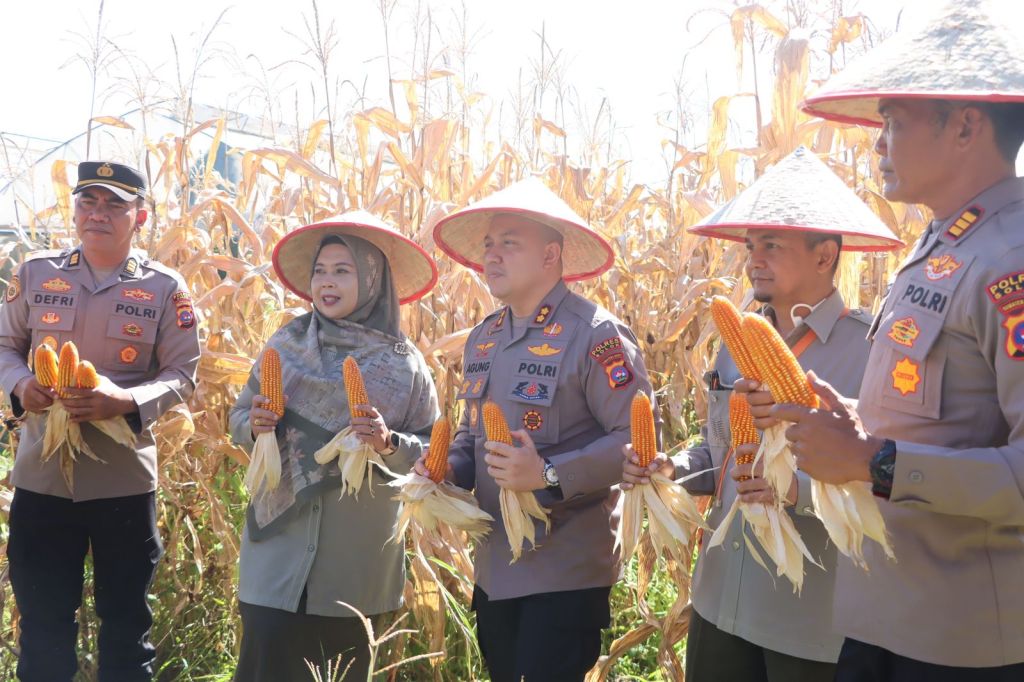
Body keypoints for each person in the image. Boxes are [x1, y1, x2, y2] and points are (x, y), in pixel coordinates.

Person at [774, 1, 1024, 678]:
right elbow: (943, 422)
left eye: (894, 122)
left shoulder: (1012, 258)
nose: (877, 142)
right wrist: (855, 422)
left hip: (958, 641)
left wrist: (873, 461)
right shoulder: (940, 247)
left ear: (966, 125)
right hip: (881, 617)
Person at [623, 146, 901, 682]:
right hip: (719, 598)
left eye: (770, 245)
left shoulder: (870, 354)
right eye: (751, 246)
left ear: (824, 256)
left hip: (808, 620)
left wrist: (792, 489)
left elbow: (885, 487)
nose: (753, 259)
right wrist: (670, 471)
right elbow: (719, 452)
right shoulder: (733, 345)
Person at [422, 177, 654, 682]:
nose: (492, 256)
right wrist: (443, 469)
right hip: (495, 568)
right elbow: (470, 440)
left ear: (551, 256)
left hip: (563, 570)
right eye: (488, 245)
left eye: (509, 243)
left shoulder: (596, 336)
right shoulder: (483, 339)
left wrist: (547, 473)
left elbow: (635, 443)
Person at [0, 160, 201, 681]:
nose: (98, 213)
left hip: (123, 480)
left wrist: (125, 401)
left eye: (115, 203)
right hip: (42, 478)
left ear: (142, 216)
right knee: (42, 627)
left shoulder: (164, 289)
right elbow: (4, 346)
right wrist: (23, 385)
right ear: (74, 211)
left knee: (126, 628)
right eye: (88, 201)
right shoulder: (36, 273)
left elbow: (183, 373)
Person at [229, 210, 440, 681]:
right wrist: (256, 424)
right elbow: (238, 418)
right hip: (276, 559)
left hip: (352, 570)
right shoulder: (285, 344)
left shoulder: (404, 366)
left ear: (371, 281)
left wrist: (389, 443)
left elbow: (434, 452)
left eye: (343, 271)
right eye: (320, 271)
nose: (327, 282)